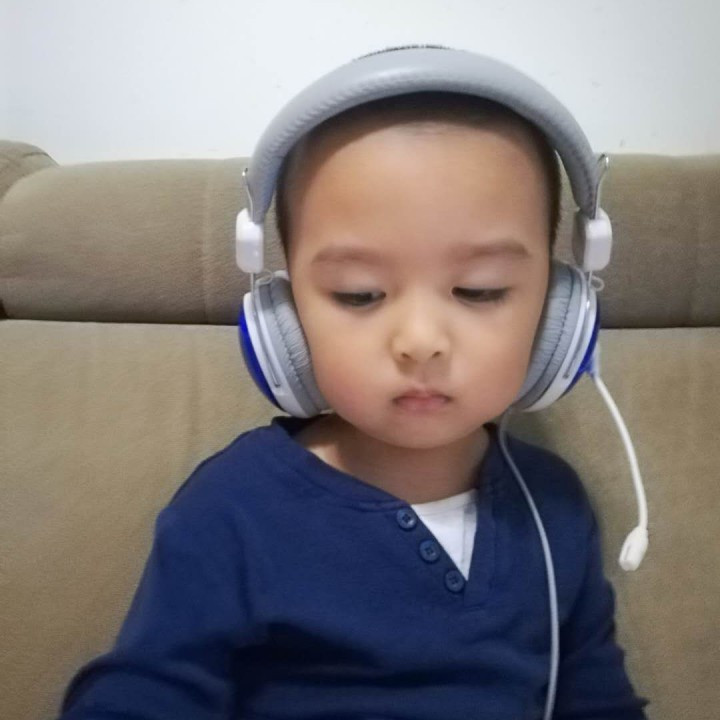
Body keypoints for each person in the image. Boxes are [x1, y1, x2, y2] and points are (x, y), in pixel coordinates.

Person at [56, 58, 650, 720]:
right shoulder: (232, 508)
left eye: (479, 290)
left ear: (559, 312)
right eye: (359, 294)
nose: (420, 340)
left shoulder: (553, 505)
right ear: (285, 318)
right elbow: (141, 697)